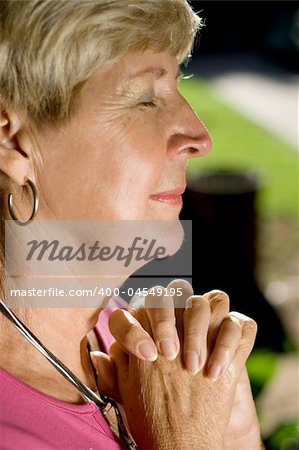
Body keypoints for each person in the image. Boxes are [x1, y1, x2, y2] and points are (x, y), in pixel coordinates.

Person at [0, 0, 263, 449]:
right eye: (145, 98)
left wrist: (232, 431)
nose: (199, 136)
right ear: (13, 141)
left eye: (177, 86)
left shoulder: (112, 326)